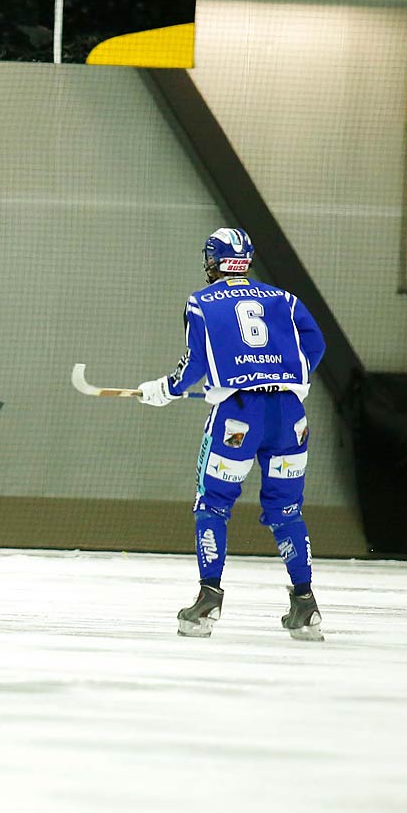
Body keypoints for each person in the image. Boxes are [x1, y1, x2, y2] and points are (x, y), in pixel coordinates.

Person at [138, 228, 327, 640]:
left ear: (214, 260)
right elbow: (315, 342)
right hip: (290, 415)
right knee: (287, 510)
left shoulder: (201, 303)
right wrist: (287, 377)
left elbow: (191, 369)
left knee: (213, 504)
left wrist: (164, 390)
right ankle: (305, 604)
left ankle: (208, 601)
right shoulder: (284, 298)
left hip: (238, 416)